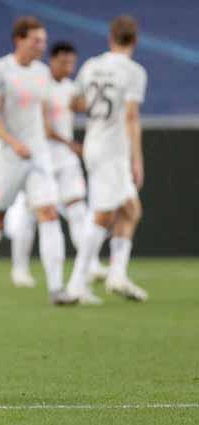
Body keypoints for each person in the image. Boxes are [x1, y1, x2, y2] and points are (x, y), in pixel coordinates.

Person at [0, 16, 77, 308]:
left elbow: (41, 113)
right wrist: (14, 142)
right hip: (6, 155)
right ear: (19, 39)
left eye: (43, 41)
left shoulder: (42, 73)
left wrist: (49, 142)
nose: (41, 46)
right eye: (36, 41)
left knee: (49, 213)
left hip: (37, 155)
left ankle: (57, 288)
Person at [8, 41, 108, 288]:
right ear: (52, 61)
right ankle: (19, 269)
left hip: (65, 159)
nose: (68, 67)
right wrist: (70, 142)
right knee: (32, 214)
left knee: (77, 209)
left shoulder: (71, 88)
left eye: (72, 63)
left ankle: (91, 263)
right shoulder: (41, 86)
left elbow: (87, 107)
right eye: (64, 62)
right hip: (40, 157)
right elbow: (43, 127)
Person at [65, 16, 148, 304]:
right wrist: (137, 159)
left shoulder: (91, 66)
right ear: (134, 41)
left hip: (94, 143)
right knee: (102, 215)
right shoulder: (135, 72)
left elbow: (74, 103)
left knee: (131, 210)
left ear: (110, 38)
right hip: (113, 150)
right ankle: (77, 282)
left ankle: (117, 275)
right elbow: (131, 115)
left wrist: (95, 104)